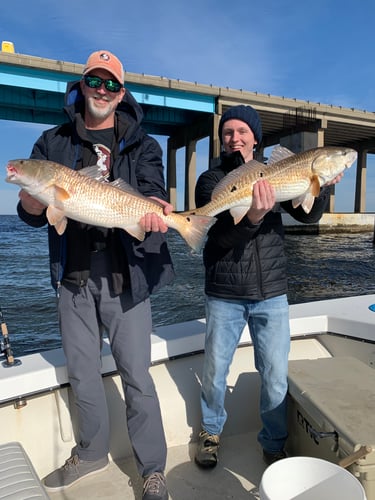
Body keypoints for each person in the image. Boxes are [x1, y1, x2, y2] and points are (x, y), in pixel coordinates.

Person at [17, 50, 173, 500]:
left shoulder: (144, 144)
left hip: (127, 274)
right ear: (82, 86)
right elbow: (33, 214)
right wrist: (31, 200)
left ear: (121, 93)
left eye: (110, 84)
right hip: (73, 274)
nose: (101, 91)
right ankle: (90, 453)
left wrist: (158, 216)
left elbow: (151, 195)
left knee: (137, 375)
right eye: (94, 82)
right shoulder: (53, 142)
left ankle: (153, 470)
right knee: (83, 373)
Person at [194, 104, 344, 469]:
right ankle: (211, 433)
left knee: (276, 376)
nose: (234, 137)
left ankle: (274, 442)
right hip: (225, 293)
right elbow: (218, 240)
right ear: (222, 140)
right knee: (215, 372)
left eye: (242, 131)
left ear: (255, 138)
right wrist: (255, 216)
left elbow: (308, 213)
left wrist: (320, 187)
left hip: (272, 292)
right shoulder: (210, 182)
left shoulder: (277, 171)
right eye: (228, 132)